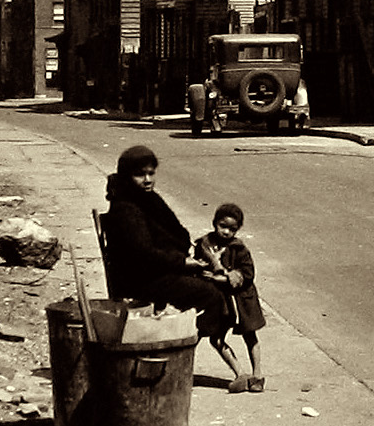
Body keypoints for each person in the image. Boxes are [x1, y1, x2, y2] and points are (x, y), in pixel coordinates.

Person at [102, 145, 231, 340]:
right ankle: (179, 345)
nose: (147, 180)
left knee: (221, 287)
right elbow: (143, 253)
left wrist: (186, 256)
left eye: (151, 173)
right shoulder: (126, 208)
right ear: (127, 176)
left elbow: (176, 231)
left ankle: (180, 339)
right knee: (210, 295)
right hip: (139, 279)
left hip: (159, 270)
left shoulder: (149, 199)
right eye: (139, 175)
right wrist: (181, 262)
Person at [196, 202, 266, 394]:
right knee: (215, 338)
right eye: (223, 226)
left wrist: (224, 277)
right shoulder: (204, 244)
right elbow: (197, 264)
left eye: (232, 229)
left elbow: (248, 273)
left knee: (250, 335)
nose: (226, 232)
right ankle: (240, 374)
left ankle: (257, 376)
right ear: (214, 223)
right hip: (219, 301)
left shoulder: (238, 248)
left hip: (242, 300)